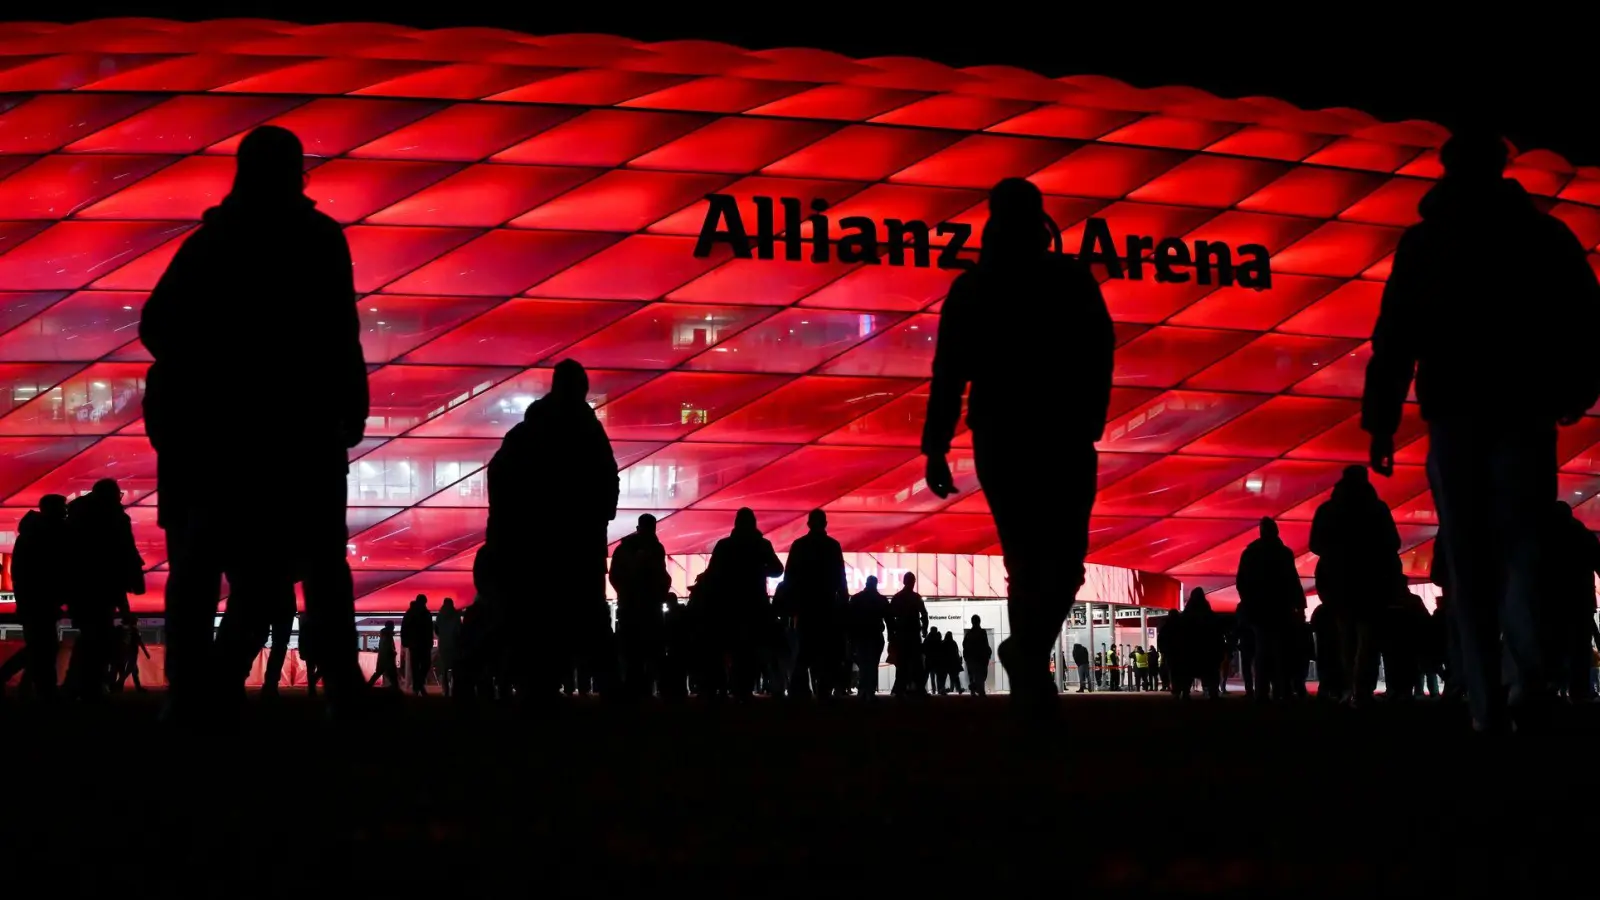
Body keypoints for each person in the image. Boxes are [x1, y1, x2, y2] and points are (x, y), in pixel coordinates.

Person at [1363, 126, 1600, 731]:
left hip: (1455, 408)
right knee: (1523, 545)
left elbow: (1394, 335)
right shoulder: (1543, 236)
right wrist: (1575, 389)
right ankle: (1528, 683)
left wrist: (1383, 421)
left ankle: (1485, 701)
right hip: (1524, 406)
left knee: (1468, 556)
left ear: (1448, 170)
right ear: (1501, 168)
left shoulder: (1426, 242)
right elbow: (1585, 316)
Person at [142, 125, 368, 719]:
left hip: (218, 435)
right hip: (301, 429)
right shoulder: (319, 240)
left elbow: (156, 326)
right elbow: (343, 333)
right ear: (296, 175)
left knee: (203, 561)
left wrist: (207, 369)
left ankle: (194, 690)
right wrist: (351, 404)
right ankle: (341, 686)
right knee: (314, 561)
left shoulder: (210, 244)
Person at [922, 177, 1115, 710]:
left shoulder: (977, 287)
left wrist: (936, 445)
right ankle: (1028, 658)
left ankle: (1026, 651)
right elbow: (1101, 352)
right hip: (1059, 435)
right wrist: (1091, 421)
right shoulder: (1070, 281)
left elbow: (949, 373)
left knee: (1029, 559)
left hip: (1005, 435)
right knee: (1058, 560)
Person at [480, 359, 619, 702]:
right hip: (579, 543)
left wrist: (504, 533)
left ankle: (536, 688)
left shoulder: (528, 432)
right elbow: (608, 479)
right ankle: (607, 688)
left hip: (533, 545)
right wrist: (598, 519)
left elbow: (500, 477)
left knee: (537, 619)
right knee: (587, 615)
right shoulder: (589, 432)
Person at [1309, 466, 1401, 707]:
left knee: (1345, 636)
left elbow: (1315, 545)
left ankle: (1349, 686)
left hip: (1338, 583)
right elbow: (1393, 543)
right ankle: (1362, 688)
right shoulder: (1377, 509)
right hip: (1371, 582)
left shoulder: (1328, 510)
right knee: (1367, 637)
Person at [63, 479, 144, 701]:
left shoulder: (76, 517)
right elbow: (123, 553)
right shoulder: (113, 519)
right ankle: (89, 685)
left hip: (81, 587)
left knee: (91, 635)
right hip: (105, 585)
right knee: (97, 636)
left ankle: (79, 685)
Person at [703, 508, 783, 699]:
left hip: (730, 604)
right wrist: (760, 569)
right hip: (755, 603)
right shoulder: (762, 545)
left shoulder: (724, 546)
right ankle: (745, 688)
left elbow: (713, 573)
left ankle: (730, 685)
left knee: (731, 647)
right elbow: (777, 569)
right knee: (751, 649)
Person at [2, 494, 69, 700]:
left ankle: (40, 688)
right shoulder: (45, 535)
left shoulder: (33, 533)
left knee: (41, 646)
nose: (65, 512)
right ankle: (44, 689)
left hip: (32, 600)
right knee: (43, 647)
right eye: (62, 508)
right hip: (40, 601)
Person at [1235, 517, 1304, 702]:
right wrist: (1299, 605)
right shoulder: (1284, 553)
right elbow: (1292, 580)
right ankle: (1283, 690)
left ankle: (1262, 692)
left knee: (1262, 651)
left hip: (1259, 610)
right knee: (1282, 651)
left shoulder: (1251, 553)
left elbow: (1241, 582)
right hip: (1281, 609)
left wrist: (1248, 602)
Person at [784, 510, 849, 699]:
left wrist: (791, 606)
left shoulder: (799, 546)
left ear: (809, 524)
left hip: (805, 607)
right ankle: (824, 690)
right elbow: (841, 578)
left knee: (804, 651)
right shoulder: (832, 546)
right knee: (827, 651)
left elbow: (789, 577)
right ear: (825, 524)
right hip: (827, 606)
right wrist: (843, 602)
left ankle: (800, 690)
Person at [1540, 501, 1600, 701]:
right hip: (1581, 603)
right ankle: (1579, 693)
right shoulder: (1584, 536)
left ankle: (1555, 689)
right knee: (1580, 652)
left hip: (1554, 605)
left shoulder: (1547, 538)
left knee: (1554, 648)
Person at [611, 513, 671, 701]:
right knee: (650, 651)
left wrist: (625, 593)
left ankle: (631, 689)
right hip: (649, 608)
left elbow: (615, 577)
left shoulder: (624, 548)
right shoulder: (656, 548)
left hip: (630, 607)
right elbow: (661, 577)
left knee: (631, 652)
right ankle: (645, 689)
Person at [1176, 589, 1224, 699]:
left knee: (1187, 672)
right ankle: (1213, 692)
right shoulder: (1209, 615)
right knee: (1211, 672)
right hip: (1208, 649)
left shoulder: (1185, 616)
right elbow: (1217, 633)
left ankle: (1185, 692)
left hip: (1189, 649)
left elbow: (1180, 633)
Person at [847, 576, 889, 698]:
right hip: (875, 635)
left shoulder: (856, 598)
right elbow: (888, 619)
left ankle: (863, 688)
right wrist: (892, 635)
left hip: (861, 635)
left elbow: (849, 619)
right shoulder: (881, 599)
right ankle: (870, 689)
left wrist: (850, 637)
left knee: (863, 662)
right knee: (873, 663)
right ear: (876, 584)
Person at [888, 573, 928, 696]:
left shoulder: (897, 597)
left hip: (901, 634)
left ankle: (900, 689)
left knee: (902, 663)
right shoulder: (916, 597)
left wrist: (892, 633)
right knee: (917, 663)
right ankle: (919, 689)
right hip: (914, 633)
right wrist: (924, 630)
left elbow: (890, 616)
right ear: (912, 582)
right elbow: (924, 615)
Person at [401, 595, 432, 696]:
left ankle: (417, 686)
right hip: (423, 643)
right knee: (425, 664)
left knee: (416, 666)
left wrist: (405, 641)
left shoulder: (410, 613)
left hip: (414, 644)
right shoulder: (426, 613)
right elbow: (429, 629)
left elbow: (404, 628)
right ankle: (419, 686)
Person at [113, 617, 150, 692]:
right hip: (132, 653)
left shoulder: (127, 631)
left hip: (126, 652)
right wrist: (146, 653)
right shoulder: (134, 631)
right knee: (129, 671)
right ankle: (117, 684)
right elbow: (139, 642)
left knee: (133, 671)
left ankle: (121, 686)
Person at [434, 597, 462, 699]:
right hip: (454, 645)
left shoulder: (440, 615)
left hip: (443, 644)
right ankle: (454, 690)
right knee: (455, 669)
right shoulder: (455, 615)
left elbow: (436, 629)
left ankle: (445, 690)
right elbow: (459, 630)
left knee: (444, 669)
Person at [964, 616, 992, 696]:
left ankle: (974, 690)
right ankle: (980, 690)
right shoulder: (982, 632)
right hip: (980, 657)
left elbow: (964, 645)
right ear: (979, 621)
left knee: (972, 674)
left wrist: (966, 656)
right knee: (981, 675)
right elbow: (985, 644)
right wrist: (988, 653)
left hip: (971, 657)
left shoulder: (969, 633)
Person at [369, 623, 400, 691]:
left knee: (379, 673)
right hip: (387, 659)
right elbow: (388, 647)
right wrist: (393, 652)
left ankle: (369, 685)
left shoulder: (384, 635)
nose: (394, 628)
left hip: (383, 658)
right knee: (392, 674)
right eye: (393, 626)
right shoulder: (388, 636)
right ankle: (395, 687)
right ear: (390, 627)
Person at [923, 627, 943, 694]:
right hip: (937, 660)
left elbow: (924, 649)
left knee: (929, 676)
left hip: (929, 659)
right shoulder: (938, 638)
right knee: (938, 675)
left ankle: (933, 689)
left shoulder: (927, 639)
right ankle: (939, 689)